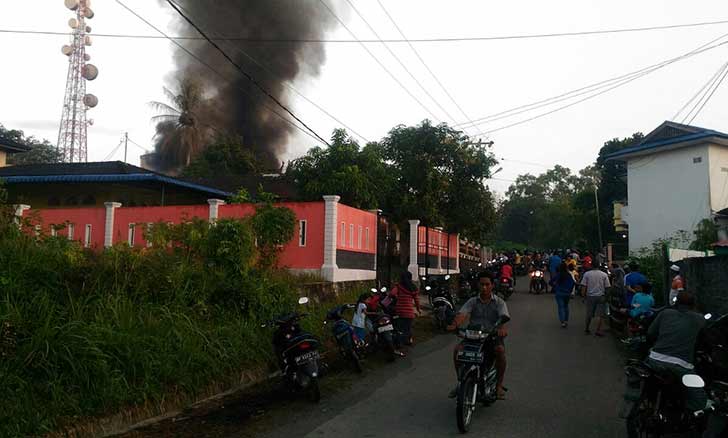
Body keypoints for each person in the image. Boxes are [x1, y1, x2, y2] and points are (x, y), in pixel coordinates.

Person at [447, 272, 510, 400]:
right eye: (482, 284)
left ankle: (498, 385)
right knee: (457, 351)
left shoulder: (499, 302)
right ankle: (460, 382)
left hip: (491, 337)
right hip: (472, 337)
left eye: (487, 284)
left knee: (500, 351)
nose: (484, 287)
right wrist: (454, 324)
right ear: (478, 285)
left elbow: (503, 319)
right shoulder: (472, 301)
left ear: (492, 285)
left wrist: (501, 329)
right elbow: (462, 315)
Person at [645, 291, 707, 412]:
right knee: (699, 399)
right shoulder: (699, 319)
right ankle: (686, 413)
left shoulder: (666, 313)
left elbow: (650, 333)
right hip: (680, 365)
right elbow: (705, 337)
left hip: (654, 359)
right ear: (693, 304)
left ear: (676, 302)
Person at [390, 271, 421, 347]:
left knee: (399, 327)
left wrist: (397, 297)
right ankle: (408, 340)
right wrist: (418, 309)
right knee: (408, 327)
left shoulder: (399, 286)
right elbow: (417, 300)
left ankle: (399, 342)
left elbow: (392, 294)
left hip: (399, 311)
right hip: (409, 312)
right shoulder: (413, 288)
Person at [580, 263, 611, 337]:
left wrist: (583, 296)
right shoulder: (604, 274)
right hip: (601, 296)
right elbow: (607, 287)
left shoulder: (587, 274)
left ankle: (587, 328)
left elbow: (584, 286)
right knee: (601, 314)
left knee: (589, 314)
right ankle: (598, 330)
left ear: (591, 266)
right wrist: (607, 297)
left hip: (590, 296)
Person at [551, 262, 576, 327]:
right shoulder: (569, 275)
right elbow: (573, 283)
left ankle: (563, 322)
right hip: (567, 293)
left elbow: (551, 282)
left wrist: (555, 286)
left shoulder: (558, 275)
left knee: (561, 307)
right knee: (566, 306)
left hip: (559, 293)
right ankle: (566, 320)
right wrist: (570, 291)